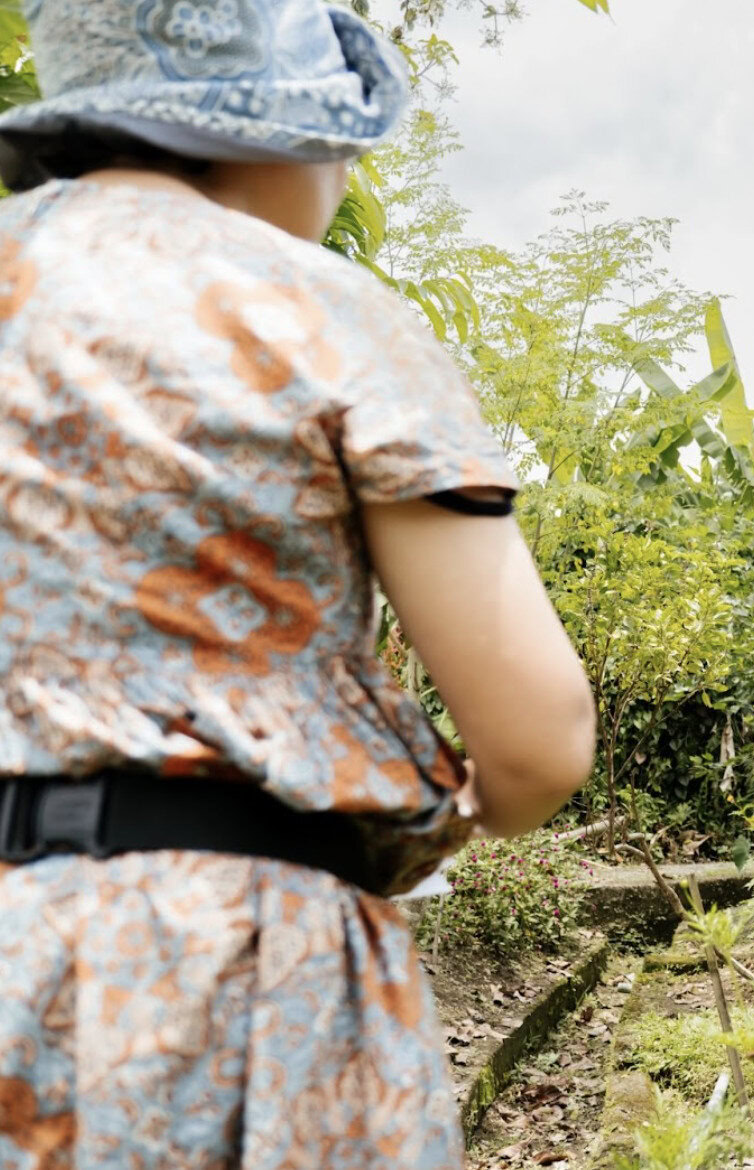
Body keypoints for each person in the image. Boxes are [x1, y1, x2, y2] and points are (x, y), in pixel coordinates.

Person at [0, 3, 595, 1165]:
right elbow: (537, 740)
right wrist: (469, 812)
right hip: (241, 960)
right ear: (268, 129)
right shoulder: (318, 308)